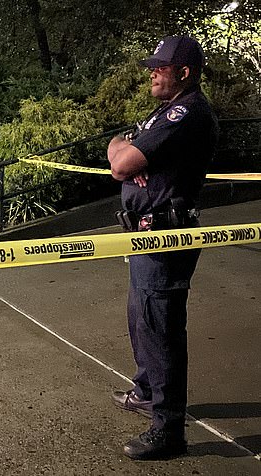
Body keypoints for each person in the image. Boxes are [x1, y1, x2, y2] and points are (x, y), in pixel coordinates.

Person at [107, 35, 219, 460]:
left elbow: (120, 161)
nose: (152, 71)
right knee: (142, 319)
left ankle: (168, 428)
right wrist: (126, 154)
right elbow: (122, 148)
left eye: (160, 66)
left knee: (161, 331)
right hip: (145, 236)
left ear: (184, 73)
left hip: (165, 238)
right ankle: (148, 392)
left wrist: (127, 160)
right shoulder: (164, 113)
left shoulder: (184, 112)